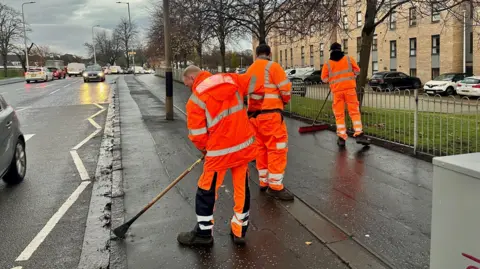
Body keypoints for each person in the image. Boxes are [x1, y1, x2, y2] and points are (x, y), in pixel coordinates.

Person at [177, 65, 258, 247]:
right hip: (243, 146)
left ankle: (203, 234)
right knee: (241, 188)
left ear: (192, 78)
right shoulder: (230, 79)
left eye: (187, 84)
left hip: (218, 153)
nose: (188, 87)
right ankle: (239, 231)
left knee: (207, 190)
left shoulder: (195, 99)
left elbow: (197, 135)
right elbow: (254, 82)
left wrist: (206, 150)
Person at [245, 43, 294, 201]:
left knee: (261, 148)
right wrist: (283, 102)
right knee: (277, 148)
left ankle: (264, 182)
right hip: (271, 115)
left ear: (256, 54)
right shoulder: (273, 67)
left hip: (254, 117)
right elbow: (285, 90)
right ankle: (275, 187)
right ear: (269, 53)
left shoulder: (250, 69)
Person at [321, 42, 371, 147]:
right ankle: (359, 134)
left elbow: (324, 79)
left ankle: (341, 137)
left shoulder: (328, 64)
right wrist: (350, 75)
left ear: (331, 51)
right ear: (340, 49)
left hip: (337, 92)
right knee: (354, 112)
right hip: (350, 90)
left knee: (339, 114)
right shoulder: (349, 59)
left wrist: (333, 79)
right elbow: (357, 71)